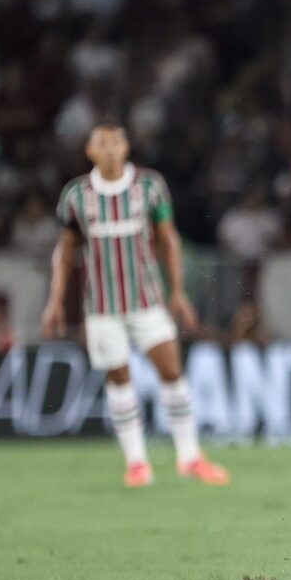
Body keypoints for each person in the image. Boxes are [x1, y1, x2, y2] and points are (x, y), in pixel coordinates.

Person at [41, 123, 229, 488]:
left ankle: (190, 457)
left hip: (147, 300)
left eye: (116, 142)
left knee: (172, 371)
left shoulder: (149, 186)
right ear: (90, 150)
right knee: (119, 380)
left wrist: (177, 292)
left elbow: (168, 240)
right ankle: (137, 463)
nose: (110, 149)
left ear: (126, 147)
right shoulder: (76, 195)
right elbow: (65, 249)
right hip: (102, 307)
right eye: (102, 143)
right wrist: (55, 299)